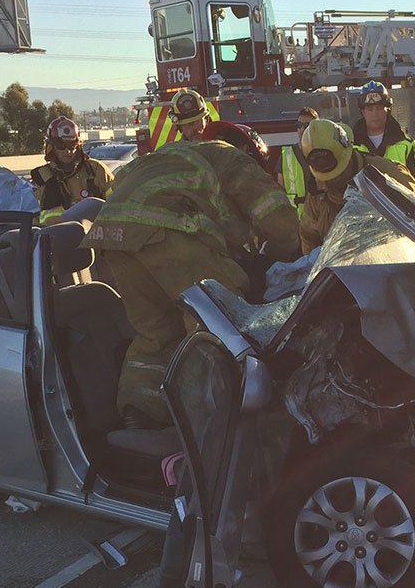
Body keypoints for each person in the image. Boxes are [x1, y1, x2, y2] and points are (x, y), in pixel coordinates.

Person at [83, 136, 300, 426]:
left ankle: (140, 412)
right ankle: (205, 420)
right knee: (218, 322)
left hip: (115, 237)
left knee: (158, 333)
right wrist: (285, 256)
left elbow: (119, 181)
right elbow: (278, 217)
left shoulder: (171, 155)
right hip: (168, 229)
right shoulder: (231, 157)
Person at [298, 118, 415, 254]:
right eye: (326, 178)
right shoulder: (317, 192)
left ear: (348, 154)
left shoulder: (389, 175)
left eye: (339, 173)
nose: (333, 180)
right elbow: (309, 239)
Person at [32, 116, 112, 225]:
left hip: (94, 233)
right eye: (61, 146)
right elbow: (32, 218)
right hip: (54, 234)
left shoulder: (97, 170)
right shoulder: (42, 178)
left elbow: (117, 202)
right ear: (52, 147)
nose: (68, 151)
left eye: (72, 146)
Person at [352, 81, 415, 175]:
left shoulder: (407, 145)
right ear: (363, 112)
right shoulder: (351, 147)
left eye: (379, 108)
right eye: (370, 109)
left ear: (387, 110)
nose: (375, 114)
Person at [278, 107, 320, 214]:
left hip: (319, 214)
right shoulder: (286, 154)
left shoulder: (324, 154)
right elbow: (280, 188)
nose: (302, 129)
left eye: (306, 125)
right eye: (299, 125)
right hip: (295, 217)